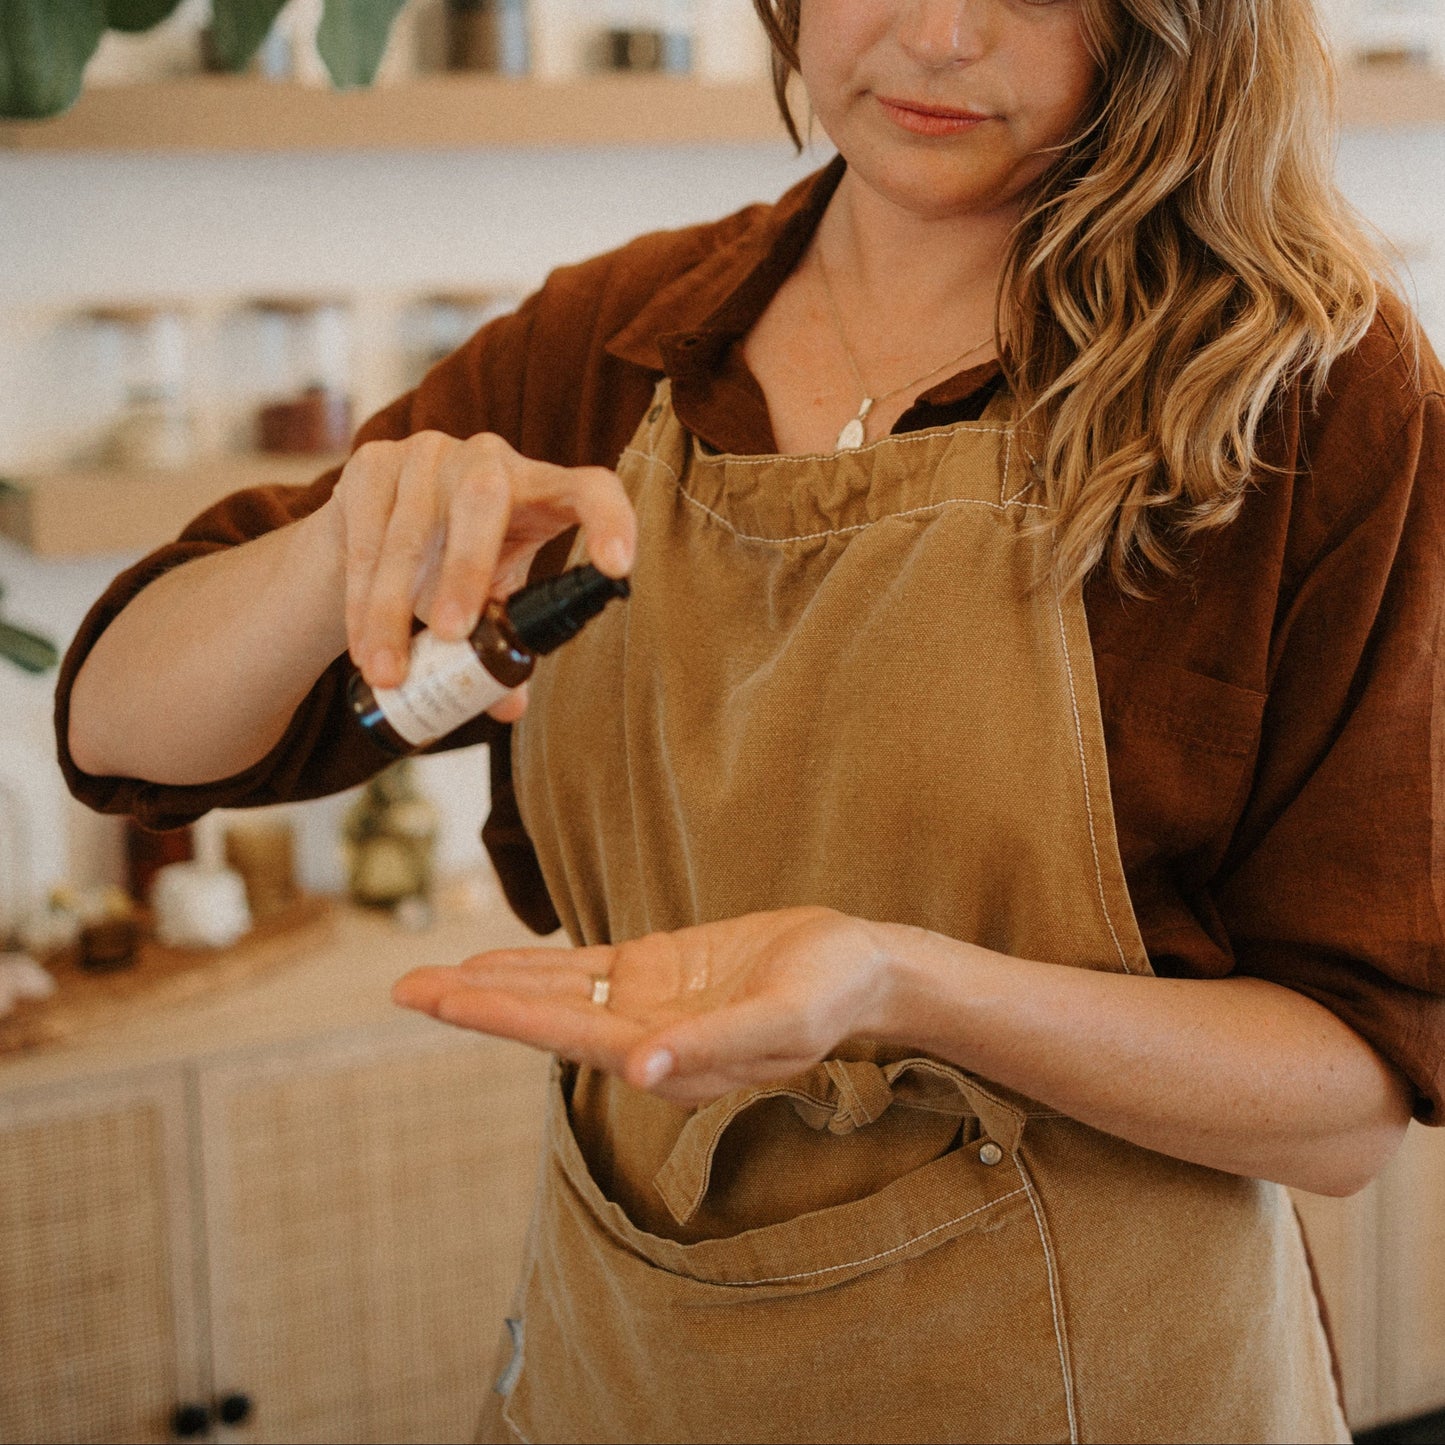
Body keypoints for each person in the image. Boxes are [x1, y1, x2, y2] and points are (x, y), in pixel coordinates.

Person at [58, 1, 1443, 1440]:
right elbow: (120, 727)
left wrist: (900, 984)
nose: (944, 34)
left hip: (1099, 1379)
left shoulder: (1311, 400)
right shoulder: (606, 352)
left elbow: (1341, 1099)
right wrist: (336, 540)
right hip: (638, 1363)